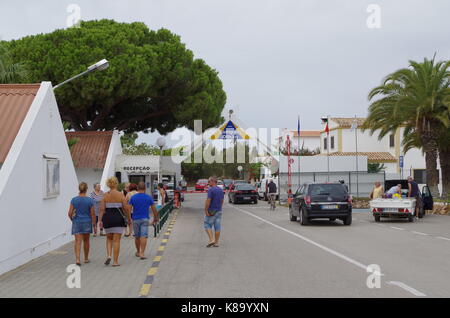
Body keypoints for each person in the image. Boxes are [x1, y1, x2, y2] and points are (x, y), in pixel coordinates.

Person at [98, 177, 131, 267]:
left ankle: (109, 255)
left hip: (107, 218)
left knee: (109, 239)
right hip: (118, 218)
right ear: (116, 184)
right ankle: (115, 261)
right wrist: (129, 219)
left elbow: (101, 209)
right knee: (116, 241)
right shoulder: (120, 195)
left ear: (108, 184)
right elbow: (125, 208)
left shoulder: (105, 195)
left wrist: (100, 220)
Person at [129, 182, 159, 259]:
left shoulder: (133, 197)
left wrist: (129, 218)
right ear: (145, 188)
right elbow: (154, 209)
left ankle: (138, 252)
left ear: (137, 188)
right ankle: (142, 253)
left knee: (137, 237)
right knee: (144, 236)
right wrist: (156, 218)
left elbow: (128, 209)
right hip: (145, 219)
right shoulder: (148, 197)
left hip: (135, 219)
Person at [68, 182, 95, 266]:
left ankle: (78, 259)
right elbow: (92, 213)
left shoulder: (74, 199)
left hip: (77, 221)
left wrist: (72, 219)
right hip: (87, 221)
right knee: (86, 241)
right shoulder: (90, 200)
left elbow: (69, 213)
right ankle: (86, 258)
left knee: (77, 241)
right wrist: (94, 223)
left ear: (79, 189)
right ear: (86, 189)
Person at [204, 176, 224, 248]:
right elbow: (222, 201)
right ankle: (216, 243)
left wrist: (206, 210)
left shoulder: (211, 190)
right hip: (219, 210)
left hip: (211, 211)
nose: (208, 183)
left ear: (213, 181)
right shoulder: (220, 190)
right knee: (217, 226)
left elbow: (208, 201)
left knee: (207, 224)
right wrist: (219, 208)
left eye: (209, 181)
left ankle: (211, 239)